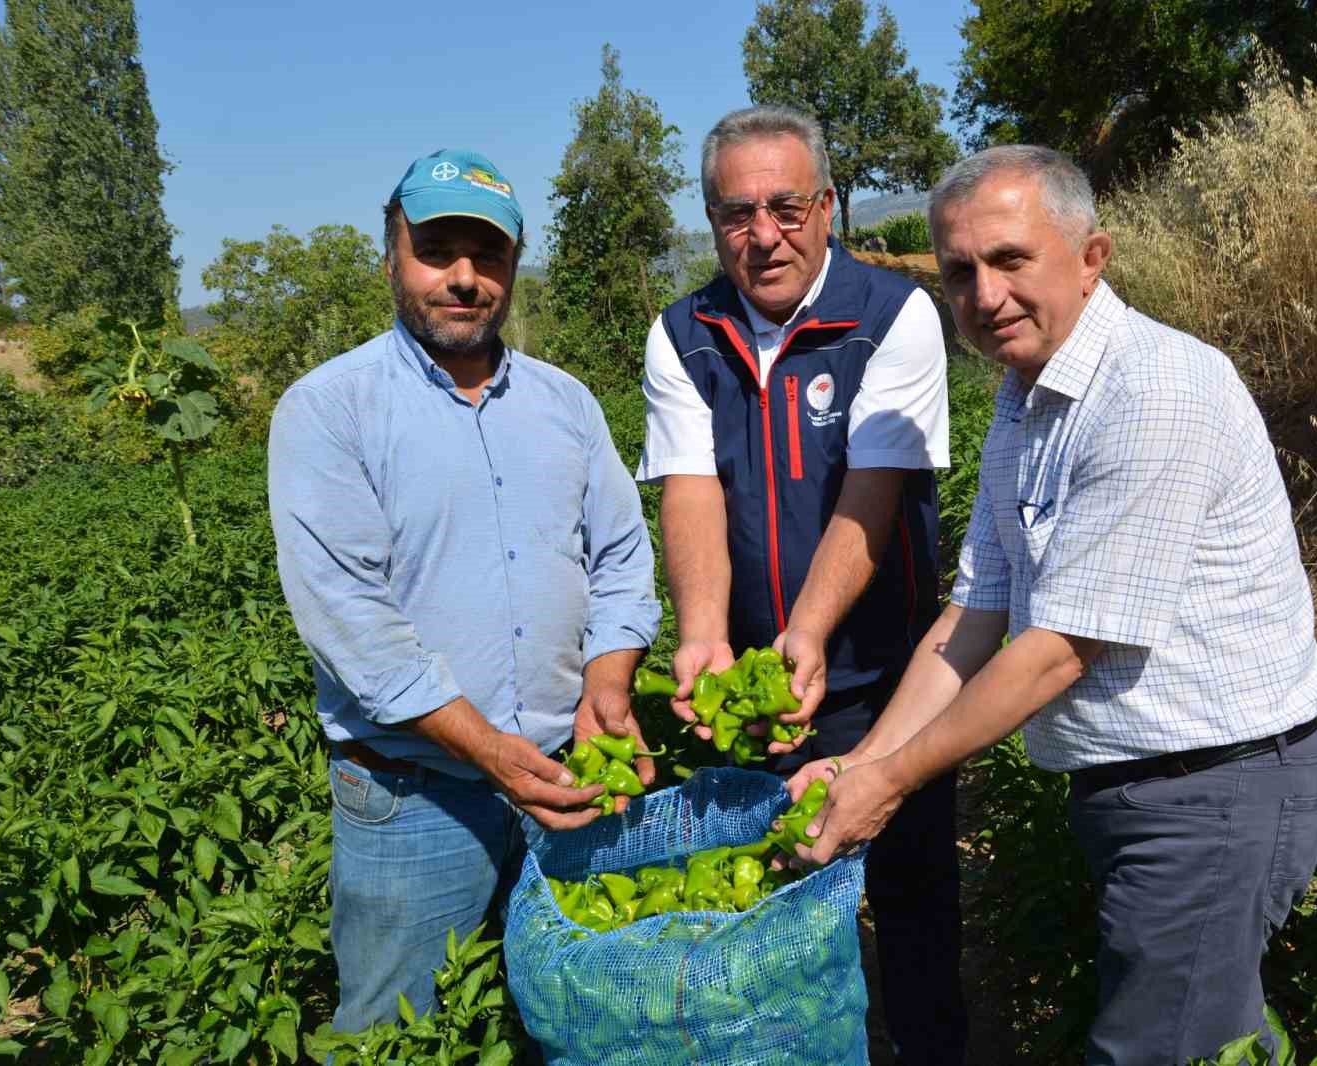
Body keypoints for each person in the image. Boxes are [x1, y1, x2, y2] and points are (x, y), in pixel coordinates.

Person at [788, 145, 1317, 1065]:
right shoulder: (1023, 402)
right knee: (1197, 1032)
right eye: (960, 272)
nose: (984, 294)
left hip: (1212, 791)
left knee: (1152, 1050)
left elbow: (1057, 650)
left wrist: (889, 782)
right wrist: (859, 763)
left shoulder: (1153, 391)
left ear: (1091, 257)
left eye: (1010, 260)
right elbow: (971, 619)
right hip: (1144, 788)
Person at [267, 148, 660, 1033]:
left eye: (487, 256)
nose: (463, 278)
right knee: (396, 1032)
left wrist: (608, 683)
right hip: (418, 798)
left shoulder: (567, 405)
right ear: (392, 254)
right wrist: (486, 748)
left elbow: (623, 559)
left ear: (514, 265)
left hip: (569, 772)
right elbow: (353, 623)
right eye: (437, 249)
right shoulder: (331, 410)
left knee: (578, 1013)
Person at [637, 105, 967, 1065]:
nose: (763, 234)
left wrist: (812, 631)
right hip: (757, 690)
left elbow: (874, 492)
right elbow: (690, 489)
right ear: (711, 222)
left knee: (911, 903)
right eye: (737, 212)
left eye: (786, 205)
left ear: (827, 206)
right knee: (770, 900)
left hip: (885, 680)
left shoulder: (891, 317)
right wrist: (702, 635)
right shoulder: (683, 335)